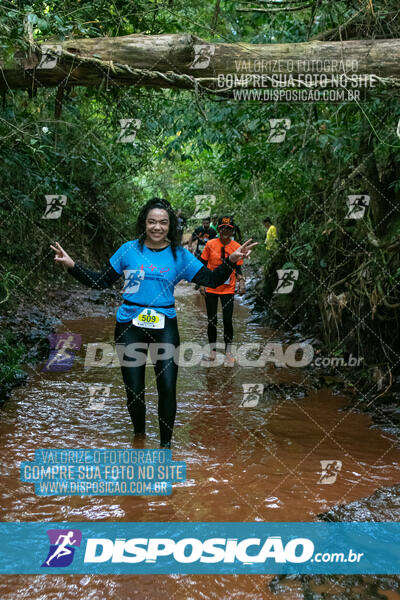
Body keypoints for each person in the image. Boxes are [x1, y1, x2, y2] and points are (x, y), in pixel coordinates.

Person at [50, 198, 256, 448]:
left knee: (167, 388)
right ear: (144, 223)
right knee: (134, 392)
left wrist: (231, 261)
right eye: (152, 222)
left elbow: (211, 280)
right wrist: (71, 265)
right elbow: (100, 281)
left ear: (170, 226)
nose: (157, 227)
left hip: (165, 327)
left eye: (162, 222)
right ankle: (139, 438)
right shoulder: (128, 250)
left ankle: (165, 447)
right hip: (129, 326)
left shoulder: (179, 255)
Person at [199, 215, 246, 365]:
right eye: (222, 228)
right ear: (218, 229)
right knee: (212, 320)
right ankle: (212, 351)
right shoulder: (210, 244)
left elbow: (238, 267)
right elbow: (203, 264)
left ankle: (228, 351)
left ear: (232, 231)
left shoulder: (237, 246)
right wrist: (201, 283)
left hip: (228, 288)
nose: (225, 230)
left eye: (228, 228)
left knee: (227, 320)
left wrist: (241, 281)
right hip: (212, 288)